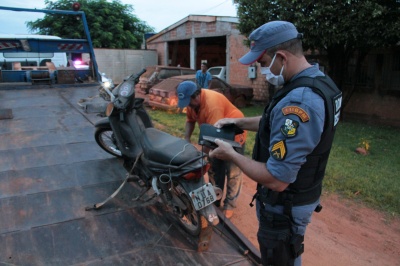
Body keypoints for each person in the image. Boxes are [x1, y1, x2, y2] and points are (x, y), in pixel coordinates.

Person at [208, 21, 342, 265]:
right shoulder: (318, 81)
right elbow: (275, 121)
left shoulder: (301, 101)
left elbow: (276, 179)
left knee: (281, 259)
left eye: (261, 63)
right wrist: (237, 123)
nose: (261, 70)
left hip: (285, 205)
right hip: (299, 195)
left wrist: (231, 154)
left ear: (280, 56)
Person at [176, 80, 247, 218]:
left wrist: (199, 158)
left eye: (189, 102)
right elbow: (190, 122)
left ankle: (230, 204)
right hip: (215, 133)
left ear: (196, 96)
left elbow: (212, 138)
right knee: (215, 169)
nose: (188, 106)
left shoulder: (212, 104)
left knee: (232, 171)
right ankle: (216, 199)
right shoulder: (192, 104)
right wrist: (186, 141)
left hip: (233, 134)